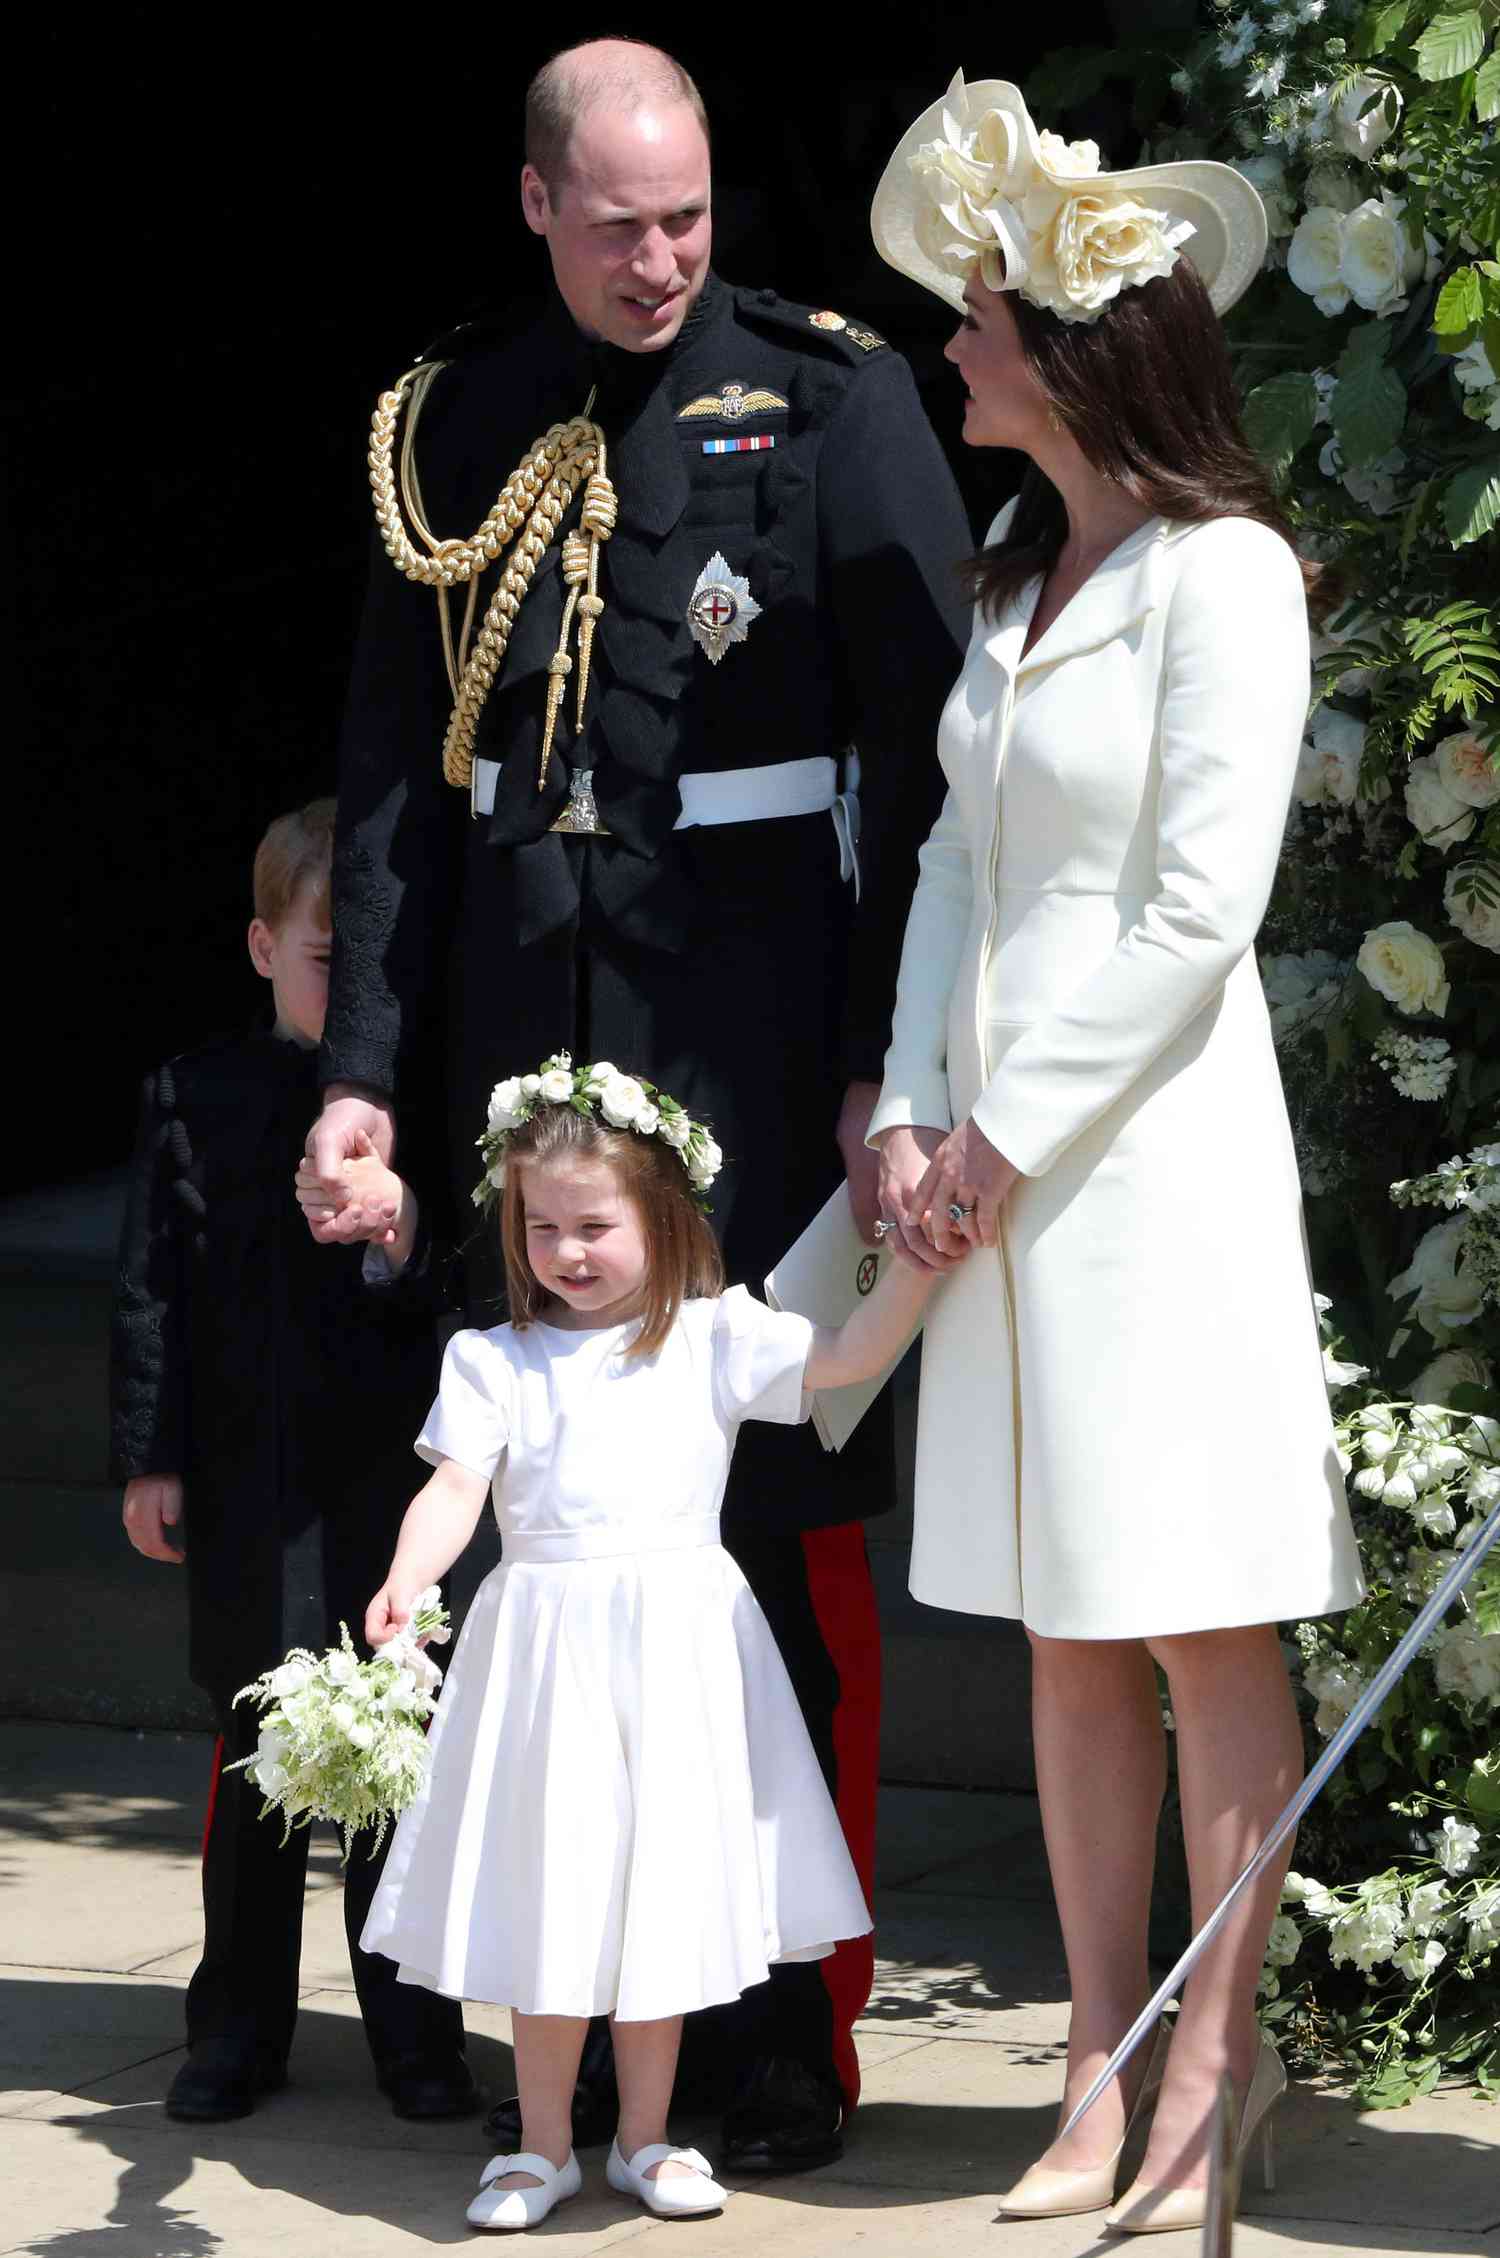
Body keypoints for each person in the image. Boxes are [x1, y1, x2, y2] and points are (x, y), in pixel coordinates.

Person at [304, 35, 972, 2169]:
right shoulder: (459, 419)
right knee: (502, 1521)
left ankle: (785, 2018)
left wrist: (892, 1055)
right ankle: (487, 2007)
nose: (662, 257)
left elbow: (927, 760)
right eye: (618, 224)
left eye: (688, 217)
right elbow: (403, 792)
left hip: (758, 1039)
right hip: (526, 1022)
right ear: (535, 207)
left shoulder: (834, 391)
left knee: (758, 1541)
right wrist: (362, 1084)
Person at [864, 75, 1365, 2235]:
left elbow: (1195, 911)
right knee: (1072, 1629)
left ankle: (1216, 2059)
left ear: (1076, 346)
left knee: (1192, 1622)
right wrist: (904, 1112)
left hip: (1145, 1168)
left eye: (978, 314)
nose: (953, 346)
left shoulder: (1222, 575)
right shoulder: (1011, 584)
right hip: (992, 1167)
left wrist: (1004, 1129)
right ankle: (1094, 2056)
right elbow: (959, 878)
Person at [353, 1057, 952, 2231]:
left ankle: (644, 2134)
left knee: (659, 1894)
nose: (568, 1251)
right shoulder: (495, 1359)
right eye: (543, 1227)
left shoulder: (711, 1337)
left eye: (595, 1225)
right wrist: (406, 1576)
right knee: (556, 1891)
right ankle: (538, 2145)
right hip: (545, 1658)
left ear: (662, 1220)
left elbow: (842, 1357)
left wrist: (918, 1272)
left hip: (676, 1651)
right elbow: (455, 1486)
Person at [109, 798, 473, 2125]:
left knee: (391, 1751)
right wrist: (153, 1455)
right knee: (259, 1751)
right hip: (250, 1473)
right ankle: (237, 2024)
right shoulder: (198, 1093)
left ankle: (415, 2029)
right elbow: (152, 1288)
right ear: (266, 948)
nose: (348, 989)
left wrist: (397, 1230)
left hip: (381, 1468)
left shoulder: (412, 1104)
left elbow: (449, 1283)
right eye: (327, 958)